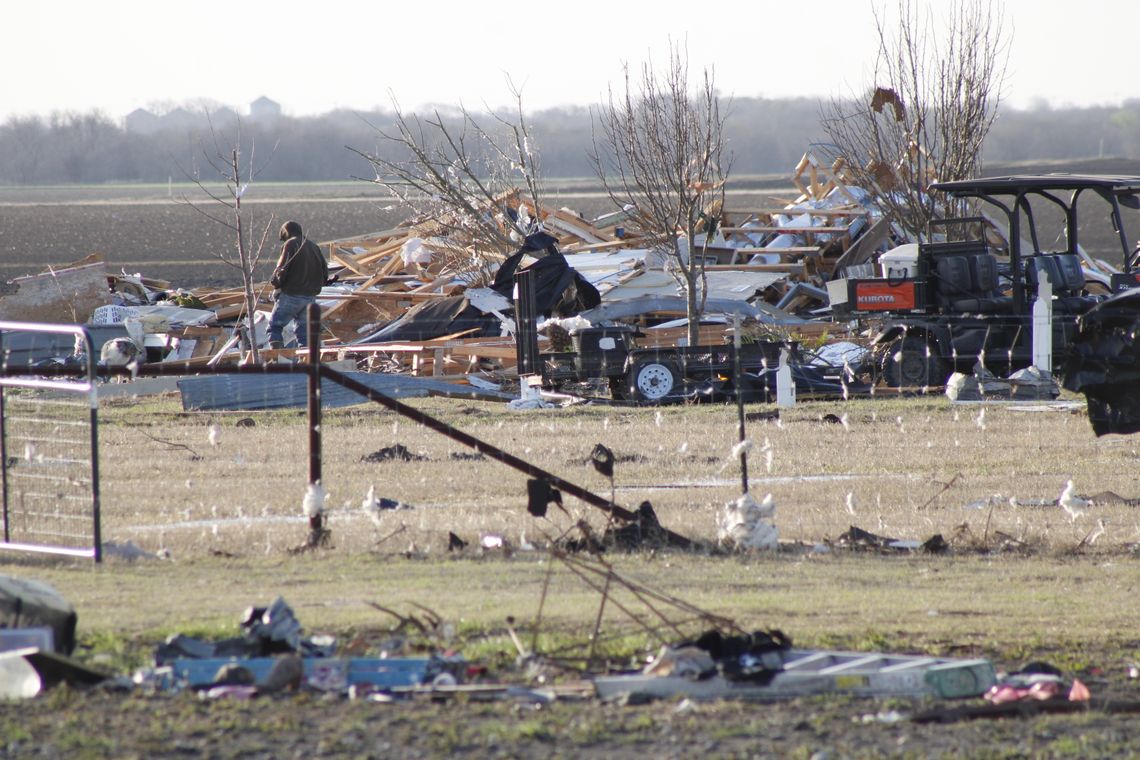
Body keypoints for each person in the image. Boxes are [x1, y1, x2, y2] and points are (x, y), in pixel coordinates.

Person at [268, 220, 328, 349]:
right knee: (305, 335)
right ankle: (307, 361)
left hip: (291, 295)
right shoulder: (313, 246)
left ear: (286, 234)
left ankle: (276, 356)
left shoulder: (290, 244)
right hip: (311, 299)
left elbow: (282, 269)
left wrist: (276, 284)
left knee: (275, 327)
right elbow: (325, 274)